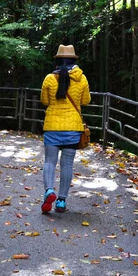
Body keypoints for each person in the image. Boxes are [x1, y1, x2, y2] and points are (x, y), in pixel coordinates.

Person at [40, 44, 91, 213]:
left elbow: (45, 102)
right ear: (73, 60)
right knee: (67, 164)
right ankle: (61, 201)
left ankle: (49, 191)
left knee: (49, 161)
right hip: (72, 128)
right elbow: (85, 101)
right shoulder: (81, 78)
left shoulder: (49, 78)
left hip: (52, 127)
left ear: (58, 60)